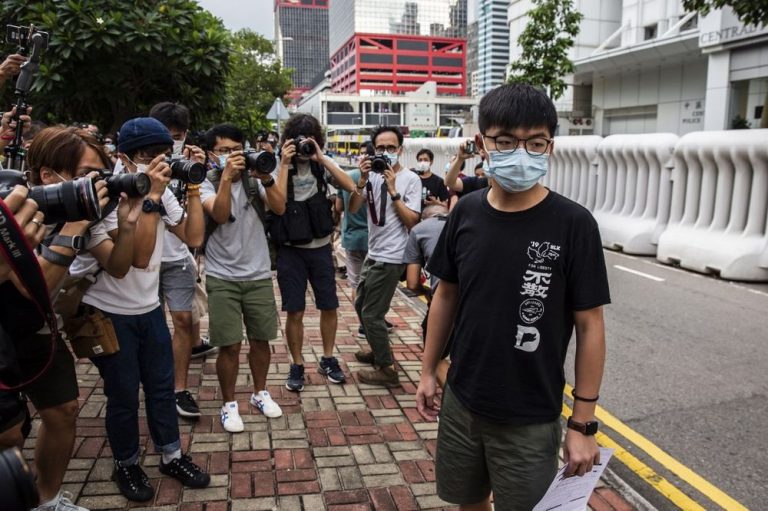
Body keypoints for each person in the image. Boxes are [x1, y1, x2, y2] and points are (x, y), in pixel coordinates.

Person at [416, 83, 610, 510]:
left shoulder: (574, 224)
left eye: (535, 142)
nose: (521, 153)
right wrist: (428, 369)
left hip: (530, 415)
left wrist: (583, 423)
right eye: (506, 141)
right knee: (468, 502)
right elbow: (445, 295)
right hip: (462, 401)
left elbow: (590, 324)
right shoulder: (465, 211)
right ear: (484, 143)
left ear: (550, 147)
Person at [75, 117, 209, 501]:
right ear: (125, 158)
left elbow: (194, 236)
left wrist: (194, 185)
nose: (160, 163)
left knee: (162, 388)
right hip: (110, 310)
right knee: (122, 395)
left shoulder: (161, 187)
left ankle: (171, 454)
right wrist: (150, 197)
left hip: (148, 308)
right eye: (150, 155)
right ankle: (127, 463)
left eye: (165, 154)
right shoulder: (106, 191)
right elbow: (137, 257)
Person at [0, 128, 119, 511]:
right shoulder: (13, 204)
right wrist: (71, 231)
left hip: (38, 331)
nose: (96, 185)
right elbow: (32, 287)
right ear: (50, 175)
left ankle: (47, 499)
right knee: (9, 435)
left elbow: (123, 263)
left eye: (101, 175)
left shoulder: (86, 212)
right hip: (6, 331)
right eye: (86, 174)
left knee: (64, 408)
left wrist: (131, 217)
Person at [201, 123, 286, 432]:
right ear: (213, 155)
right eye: (224, 151)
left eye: (236, 150)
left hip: (259, 272)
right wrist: (225, 178)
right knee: (230, 345)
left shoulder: (255, 178)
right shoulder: (207, 181)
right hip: (222, 274)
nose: (232, 156)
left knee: (261, 339)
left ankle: (260, 393)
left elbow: (279, 207)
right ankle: (228, 403)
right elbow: (220, 214)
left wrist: (265, 176)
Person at [273, 114, 356, 391]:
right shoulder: (277, 165)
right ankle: (297, 363)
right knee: (294, 310)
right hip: (290, 251)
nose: (304, 149)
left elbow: (350, 186)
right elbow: (277, 205)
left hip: (320, 249)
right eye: (298, 142)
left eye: (310, 142)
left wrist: (322, 157)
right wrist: (284, 162)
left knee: (329, 305)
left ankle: (328, 357)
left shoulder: (322, 167)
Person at [150, 102, 212, 418]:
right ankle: (153, 385)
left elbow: (194, 228)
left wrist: (198, 174)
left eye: (177, 135)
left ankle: (179, 389)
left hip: (177, 256)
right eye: (166, 136)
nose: (171, 142)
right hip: (142, 259)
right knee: (149, 328)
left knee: (184, 321)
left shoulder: (190, 163)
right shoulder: (135, 163)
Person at [348, 126, 421, 387]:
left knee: (371, 314)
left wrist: (393, 190)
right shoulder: (371, 177)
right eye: (380, 148)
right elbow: (353, 208)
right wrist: (361, 180)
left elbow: (413, 220)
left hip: (392, 257)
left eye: (391, 148)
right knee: (360, 305)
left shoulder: (411, 179)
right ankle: (379, 351)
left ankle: (387, 369)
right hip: (373, 252)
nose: (386, 152)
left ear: (400, 150)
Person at [402, 203, 450, 388]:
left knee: (435, 356)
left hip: (446, 298)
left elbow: (412, 283)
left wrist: (427, 292)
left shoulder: (419, 230)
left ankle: (454, 408)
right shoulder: (467, 223)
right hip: (482, 295)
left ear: (425, 218)